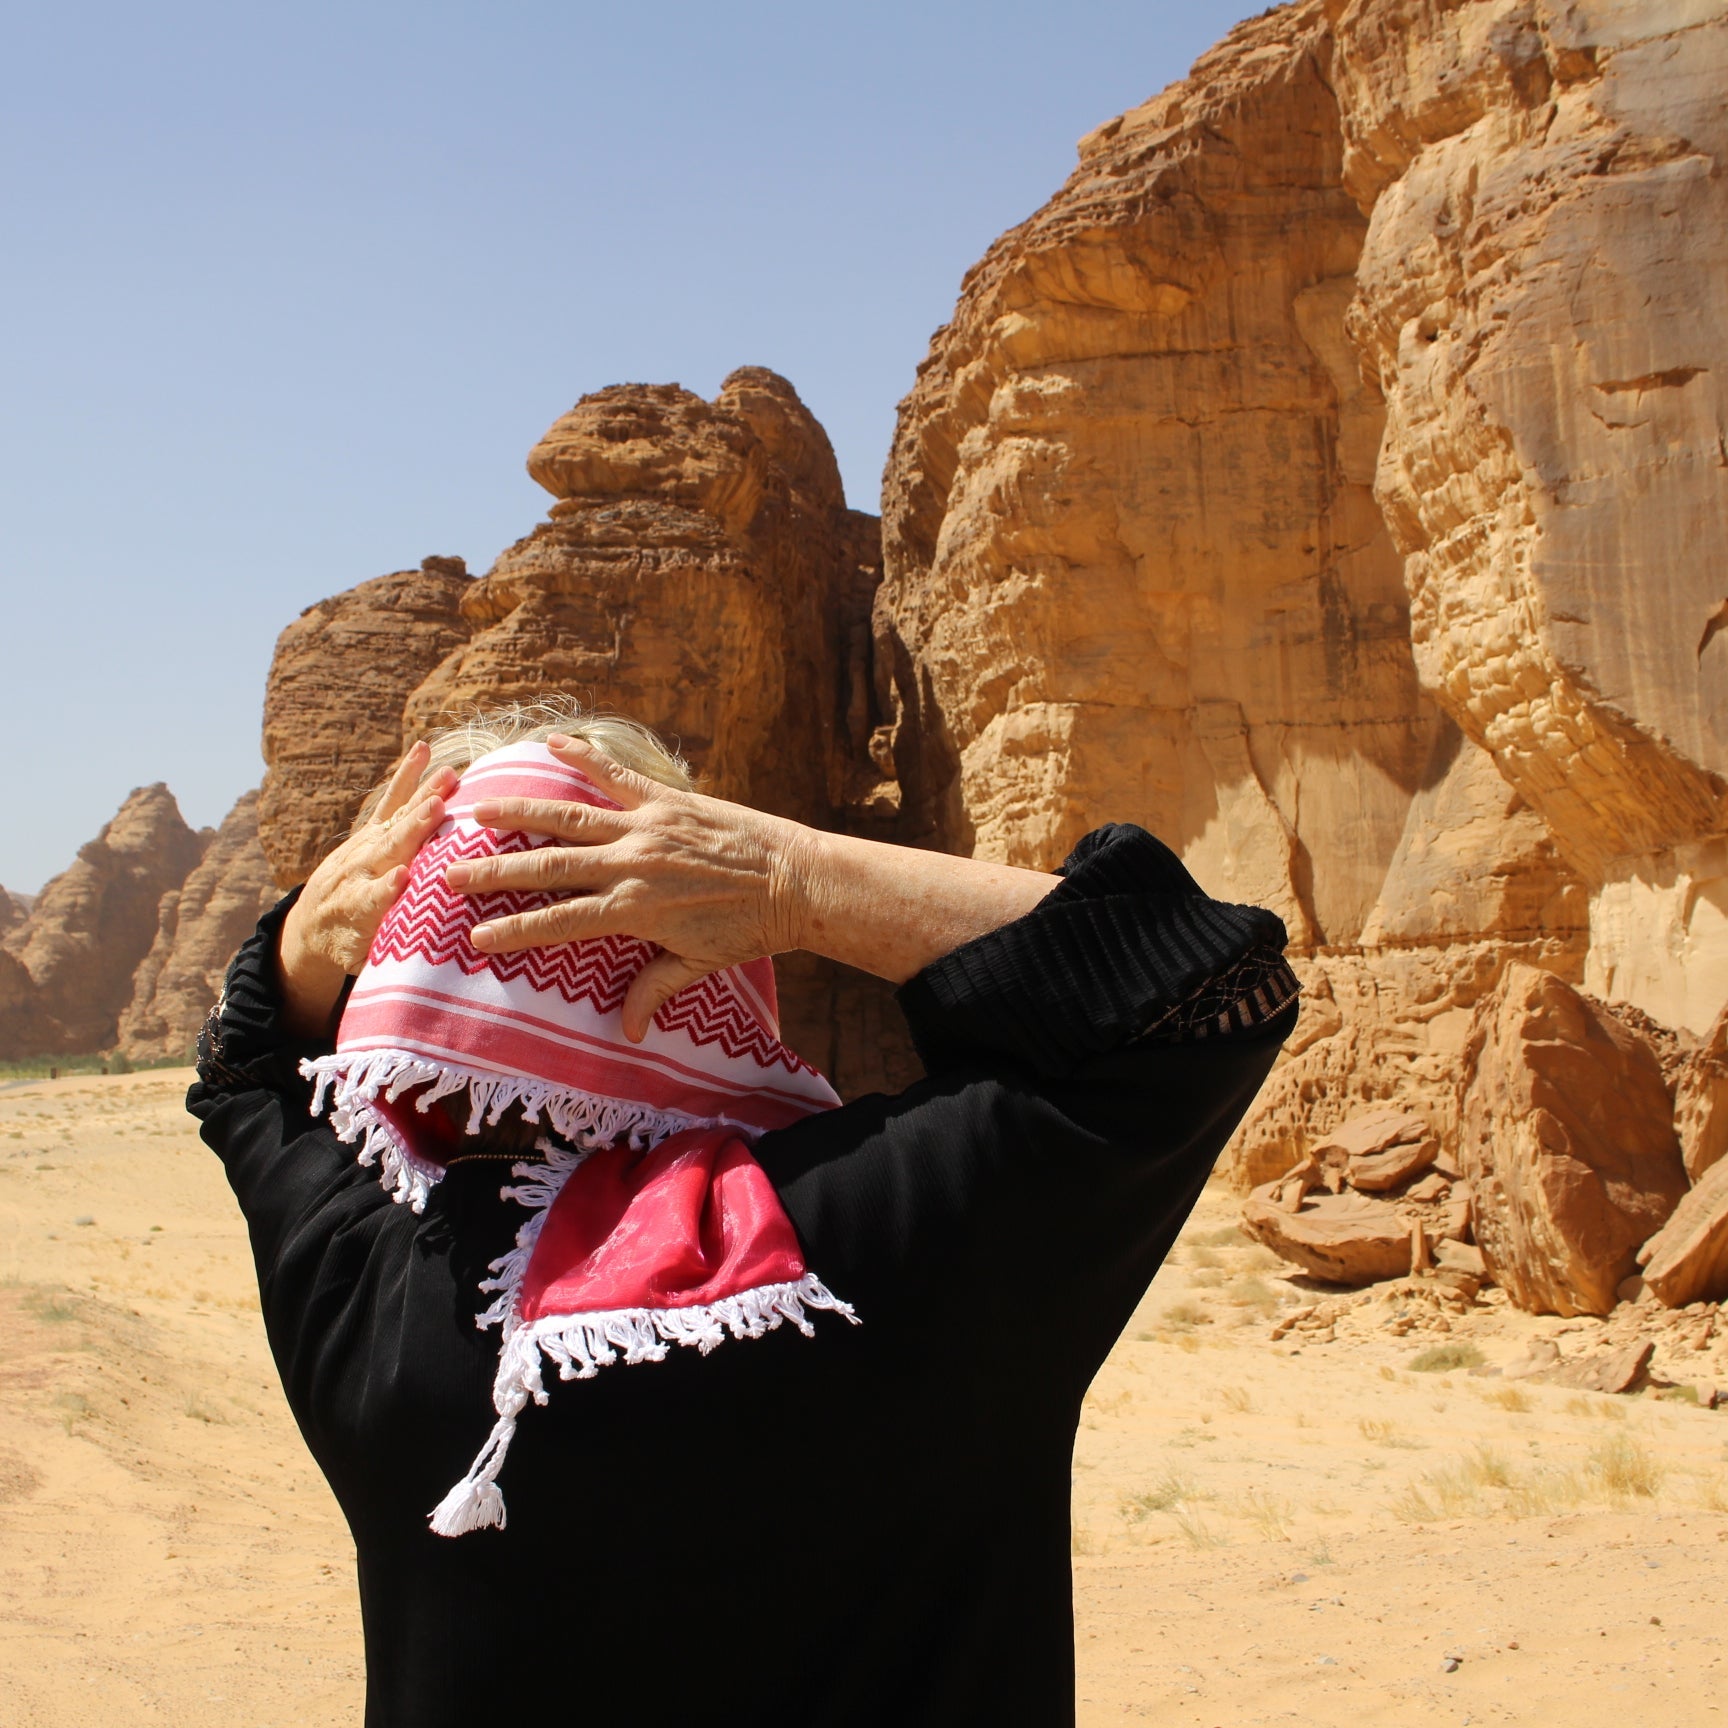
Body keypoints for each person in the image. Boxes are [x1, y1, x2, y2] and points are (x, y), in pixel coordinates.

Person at [189, 700, 1298, 1727]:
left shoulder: (361, 1283)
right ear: (690, 930)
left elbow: (245, 1078)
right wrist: (791, 876)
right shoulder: (891, 1237)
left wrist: (301, 948)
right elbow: (1202, 984)